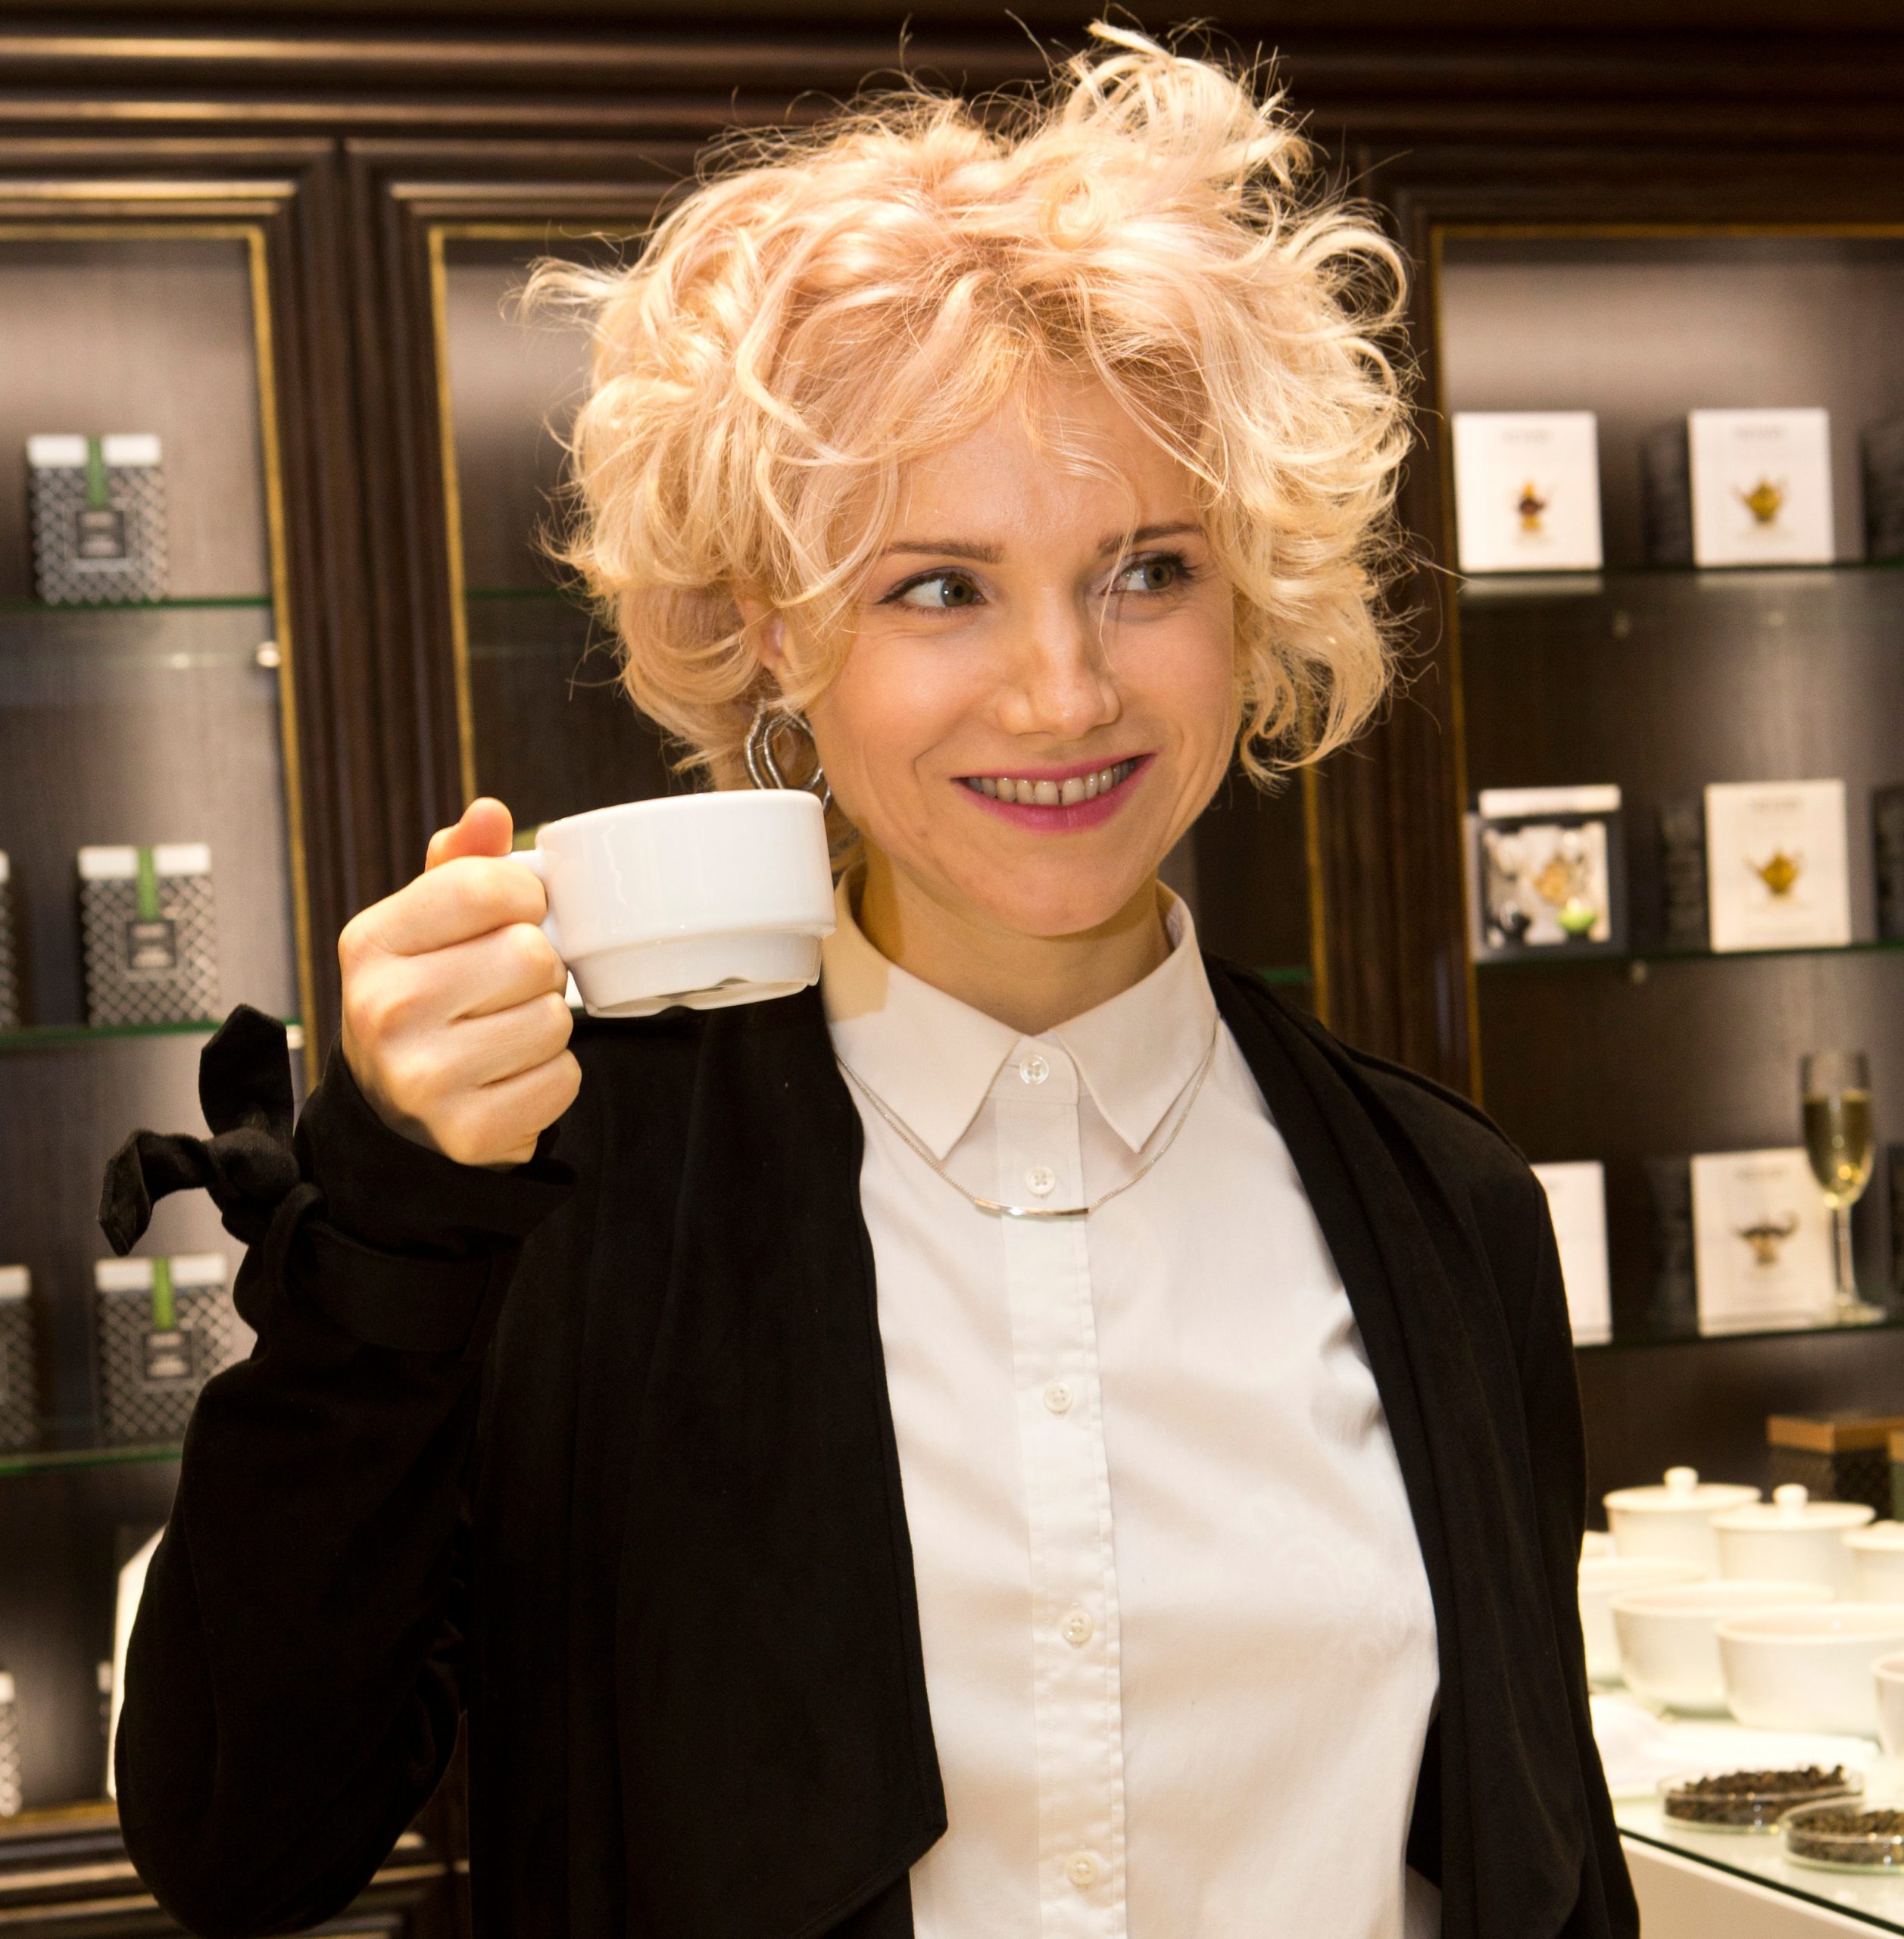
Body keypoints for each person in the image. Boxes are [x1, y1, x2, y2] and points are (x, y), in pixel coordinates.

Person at [105, 23, 1635, 1939]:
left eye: (1150, 569)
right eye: (939, 586)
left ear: (1255, 595)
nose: (1064, 690)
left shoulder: (1447, 1213)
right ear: (773, 627)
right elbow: (244, 1840)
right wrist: (389, 1231)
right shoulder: (557, 1206)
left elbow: (1546, 1869)